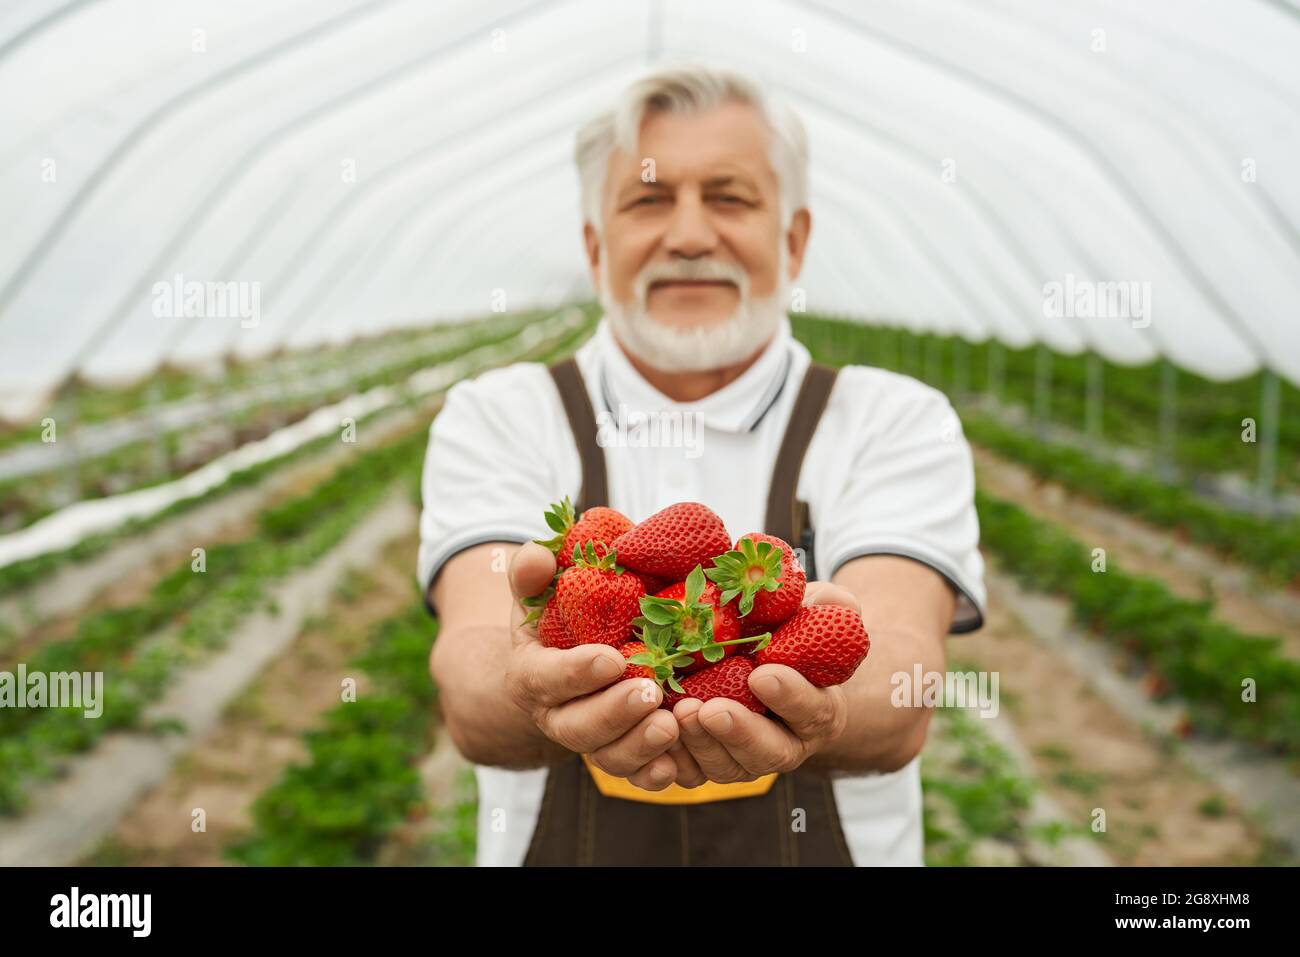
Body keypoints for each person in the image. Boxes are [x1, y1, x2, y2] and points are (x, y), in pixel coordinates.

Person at [420, 63, 985, 866]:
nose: (688, 235)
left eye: (730, 197)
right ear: (595, 246)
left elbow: (901, 682)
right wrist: (527, 676)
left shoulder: (894, 420)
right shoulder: (500, 414)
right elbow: (473, 685)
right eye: (648, 201)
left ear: (792, 240)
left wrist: (800, 694)